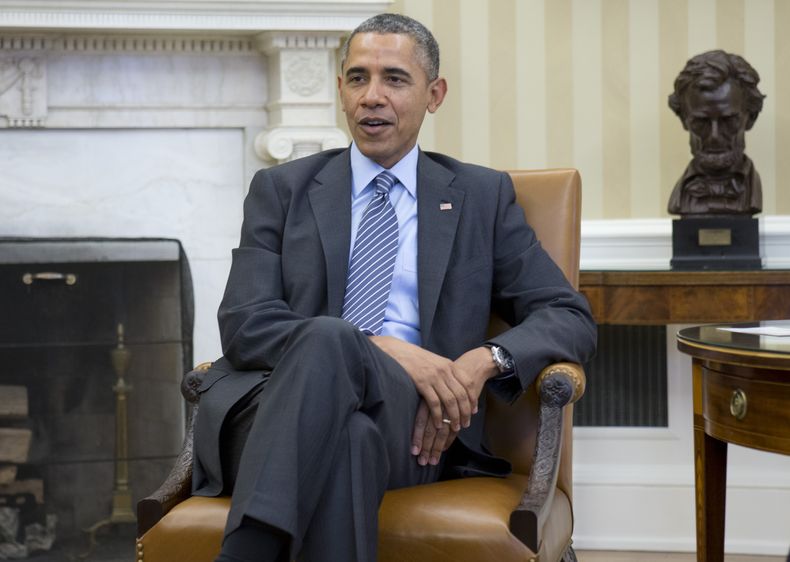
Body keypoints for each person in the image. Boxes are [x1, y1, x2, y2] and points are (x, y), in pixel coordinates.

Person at [192, 13, 596, 562]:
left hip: (414, 429)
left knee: (354, 422)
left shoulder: (480, 196)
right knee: (337, 372)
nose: (372, 97)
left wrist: (480, 362)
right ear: (340, 91)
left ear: (435, 94)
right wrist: (385, 349)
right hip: (268, 413)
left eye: (394, 79)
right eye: (357, 78)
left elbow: (568, 315)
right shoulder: (282, 190)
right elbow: (245, 322)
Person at [667, 49, 766, 216]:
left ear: (751, 118)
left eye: (728, 121)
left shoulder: (752, 189)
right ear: (684, 119)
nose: (715, 136)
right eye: (701, 122)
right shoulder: (680, 197)